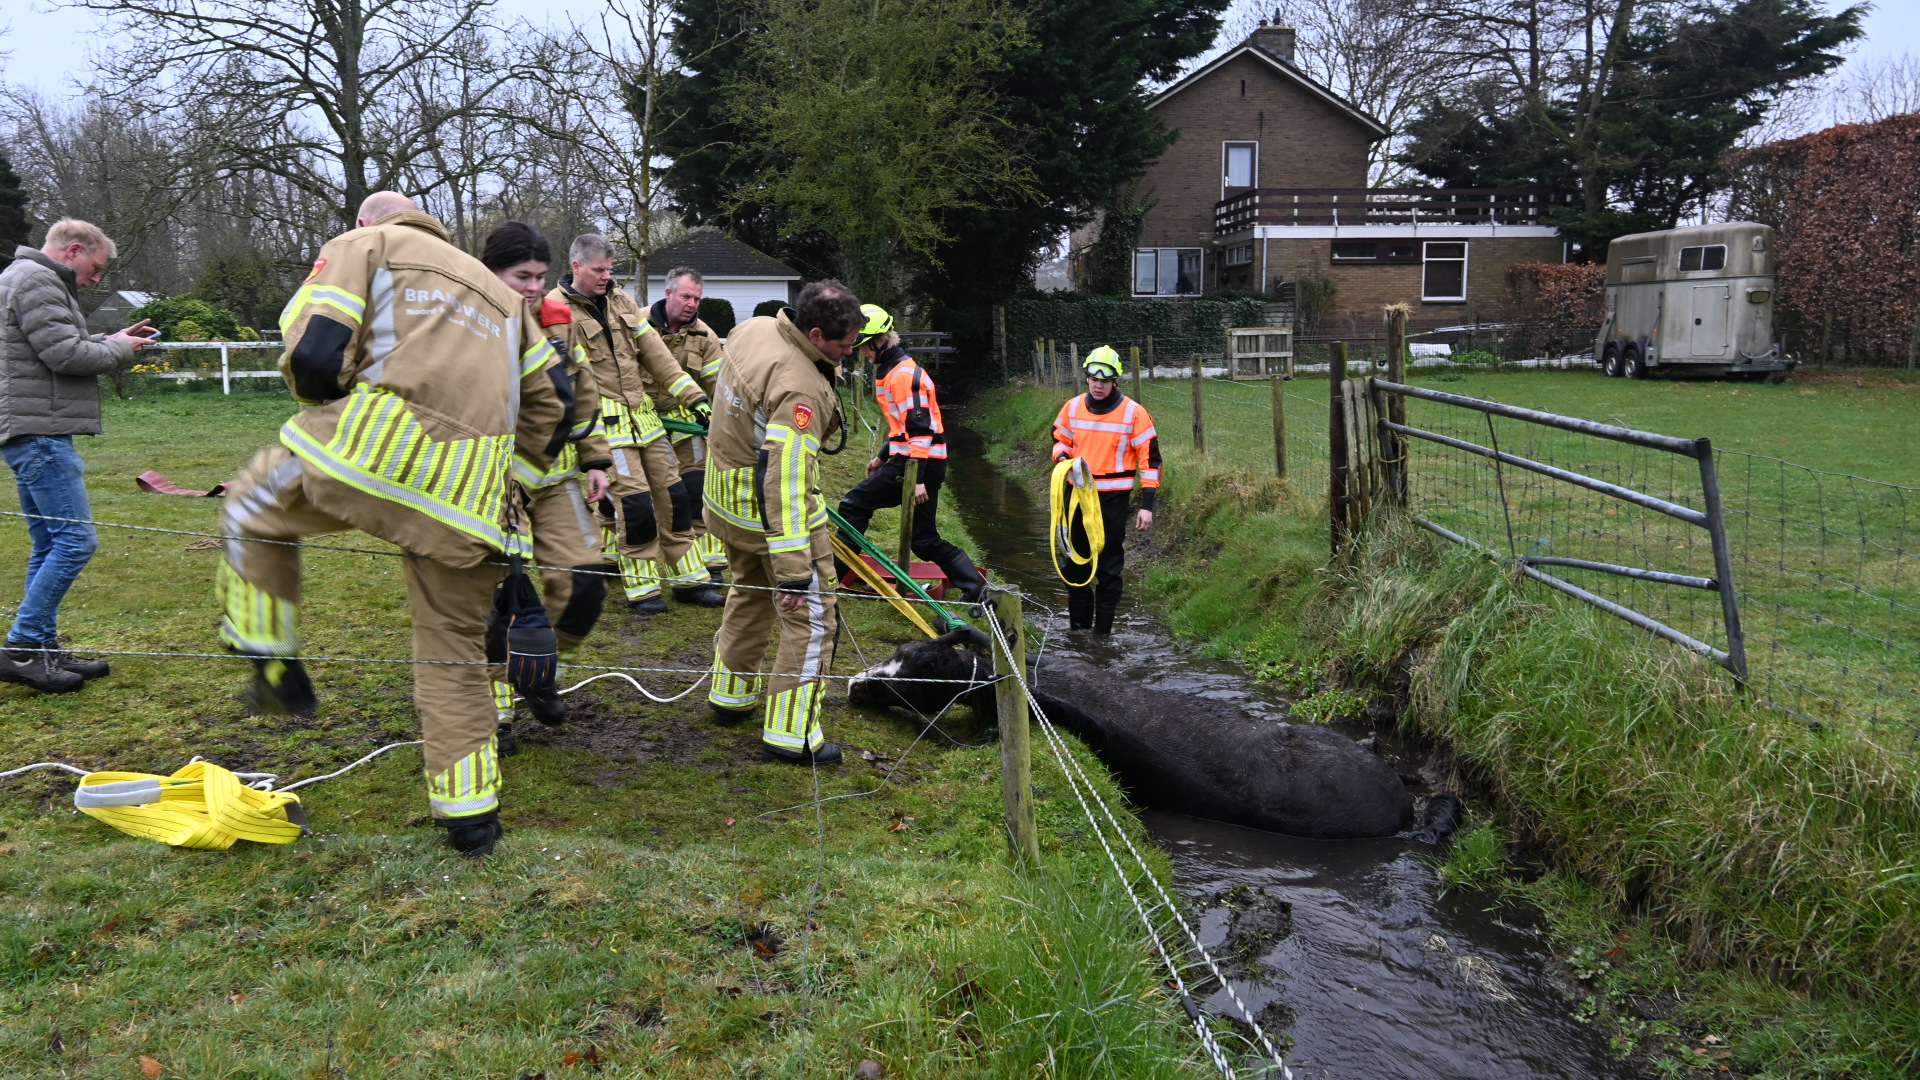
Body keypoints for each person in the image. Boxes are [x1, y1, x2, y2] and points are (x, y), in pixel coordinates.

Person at [215, 192, 569, 856]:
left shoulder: (366, 247)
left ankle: (268, 655)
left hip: (372, 459)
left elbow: (315, 351)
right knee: (454, 650)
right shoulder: (505, 299)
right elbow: (556, 404)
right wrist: (514, 474)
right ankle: (471, 816)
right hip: (473, 495)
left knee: (252, 499)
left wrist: (333, 413)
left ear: (365, 222)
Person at [704, 280, 860, 765]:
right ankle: (792, 734)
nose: (848, 354)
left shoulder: (753, 329)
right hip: (773, 517)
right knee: (811, 617)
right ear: (815, 333)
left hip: (728, 502)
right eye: (842, 345)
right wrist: (794, 568)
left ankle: (730, 697)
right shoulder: (801, 388)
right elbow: (785, 480)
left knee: (748, 593)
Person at [0, 218, 155, 693]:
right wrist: (119, 350)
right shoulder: (37, 281)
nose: (95, 278)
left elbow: (50, 349)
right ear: (72, 251)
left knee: (49, 542)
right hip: (39, 432)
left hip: (30, 427)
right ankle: (23, 647)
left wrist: (112, 340)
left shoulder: (21, 278)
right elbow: (65, 356)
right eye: (96, 267)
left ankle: (40, 648)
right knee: (75, 542)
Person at [480, 222, 614, 748]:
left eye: (540, 276)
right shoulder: (465, 322)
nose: (534, 288)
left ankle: (534, 670)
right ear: (491, 274)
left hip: (557, 479)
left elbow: (582, 392)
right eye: (522, 277)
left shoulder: (560, 321)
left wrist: (596, 458)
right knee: (499, 597)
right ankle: (496, 713)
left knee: (584, 583)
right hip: (489, 484)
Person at [548, 236, 721, 614]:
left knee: (675, 496)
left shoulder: (622, 301)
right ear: (576, 266)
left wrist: (696, 398)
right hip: (604, 427)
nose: (606, 277)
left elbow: (658, 356)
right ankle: (643, 588)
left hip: (645, 421)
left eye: (610, 270)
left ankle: (690, 580)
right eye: (598, 270)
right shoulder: (554, 310)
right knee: (636, 504)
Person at [834, 304, 985, 602]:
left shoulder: (904, 375)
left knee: (853, 505)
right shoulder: (892, 370)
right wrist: (882, 455)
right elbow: (901, 425)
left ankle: (842, 575)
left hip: (917, 463)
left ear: (880, 340)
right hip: (917, 461)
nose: (862, 352)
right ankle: (976, 588)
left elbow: (920, 430)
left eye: (865, 346)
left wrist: (916, 478)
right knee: (923, 539)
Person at [1049, 345, 1160, 634]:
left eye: (1105, 381)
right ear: (1086, 378)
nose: (1098, 386)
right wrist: (1062, 457)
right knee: (1075, 563)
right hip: (1077, 496)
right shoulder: (1071, 407)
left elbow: (1150, 460)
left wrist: (1147, 504)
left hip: (1113, 500)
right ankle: (1078, 633)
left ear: (1115, 381)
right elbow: (1060, 439)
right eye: (1094, 379)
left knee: (1109, 567)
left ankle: (1102, 637)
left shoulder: (1134, 413)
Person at [646, 266, 726, 585]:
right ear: (668, 294)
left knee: (696, 489)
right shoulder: (636, 324)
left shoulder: (705, 336)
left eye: (697, 298)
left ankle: (710, 562)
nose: (692, 304)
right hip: (639, 423)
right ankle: (610, 555)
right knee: (625, 496)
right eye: (686, 296)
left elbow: (718, 385)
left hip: (686, 425)